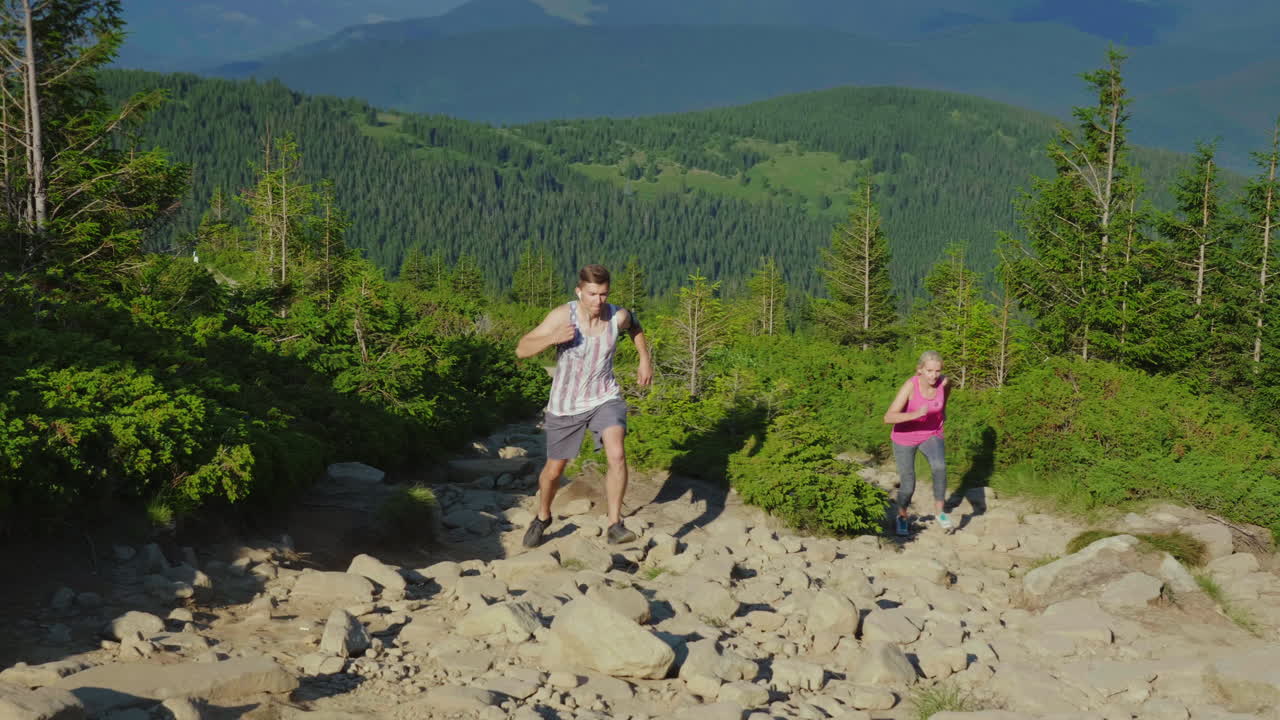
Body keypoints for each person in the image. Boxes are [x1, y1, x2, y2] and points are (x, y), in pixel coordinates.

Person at [515, 264, 653, 547]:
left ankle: (615, 523)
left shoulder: (618, 316)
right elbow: (522, 348)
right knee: (554, 471)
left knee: (616, 454)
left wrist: (644, 359)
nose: (598, 301)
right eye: (592, 294)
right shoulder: (563, 316)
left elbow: (635, 327)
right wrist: (553, 339)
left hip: (605, 396)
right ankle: (543, 516)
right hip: (566, 404)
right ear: (579, 291)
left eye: (603, 294)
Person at [883, 350, 951, 536]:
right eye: (929, 371)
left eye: (937, 371)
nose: (933, 375)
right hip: (904, 437)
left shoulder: (943, 382)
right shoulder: (910, 387)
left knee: (940, 467)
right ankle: (902, 516)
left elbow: (945, 395)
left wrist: (942, 412)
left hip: (931, 433)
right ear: (919, 369)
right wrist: (915, 414)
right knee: (908, 484)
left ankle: (939, 512)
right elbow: (888, 417)